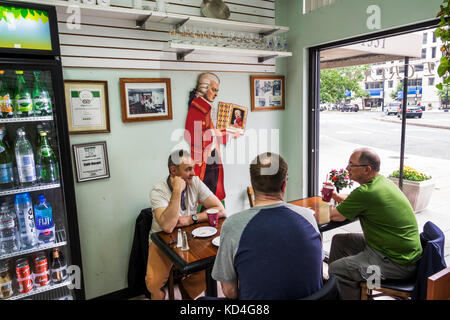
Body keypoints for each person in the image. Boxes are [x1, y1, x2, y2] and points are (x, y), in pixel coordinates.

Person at [211, 153, 323, 299]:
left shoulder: (233, 226)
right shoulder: (308, 217)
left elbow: (229, 291)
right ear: (284, 184)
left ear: (252, 182)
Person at [327, 147, 422, 300]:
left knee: (336, 268)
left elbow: (335, 216)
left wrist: (310, 211)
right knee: (340, 241)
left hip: (396, 264)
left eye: (352, 164)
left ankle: (346, 287)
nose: (347, 168)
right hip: (397, 252)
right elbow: (354, 198)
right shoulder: (382, 182)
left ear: (367, 169)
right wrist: (337, 197)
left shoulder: (367, 192)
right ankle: (337, 289)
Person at [145, 149, 226, 300]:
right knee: (153, 283)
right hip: (162, 241)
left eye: (193, 168)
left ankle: (186, 291)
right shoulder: (158, 190)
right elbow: (168, 226)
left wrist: (191, 218)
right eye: (188, 169)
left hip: (190, 236)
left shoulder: (194, 182)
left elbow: (220, 210)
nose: (194, 173)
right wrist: (177, 190)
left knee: (211, 266)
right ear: (173, 171)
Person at [184, 73, 240, 202]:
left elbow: (216, 130)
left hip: (213, 153)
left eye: (217, 91)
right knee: (205, 190)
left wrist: (231, 132)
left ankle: (217, 214)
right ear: (204, 88)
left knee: (214, 188)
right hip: (204, 156)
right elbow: (193, 134)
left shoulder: (209, 108)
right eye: (213, 90)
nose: (216, 94)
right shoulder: (197, 107)